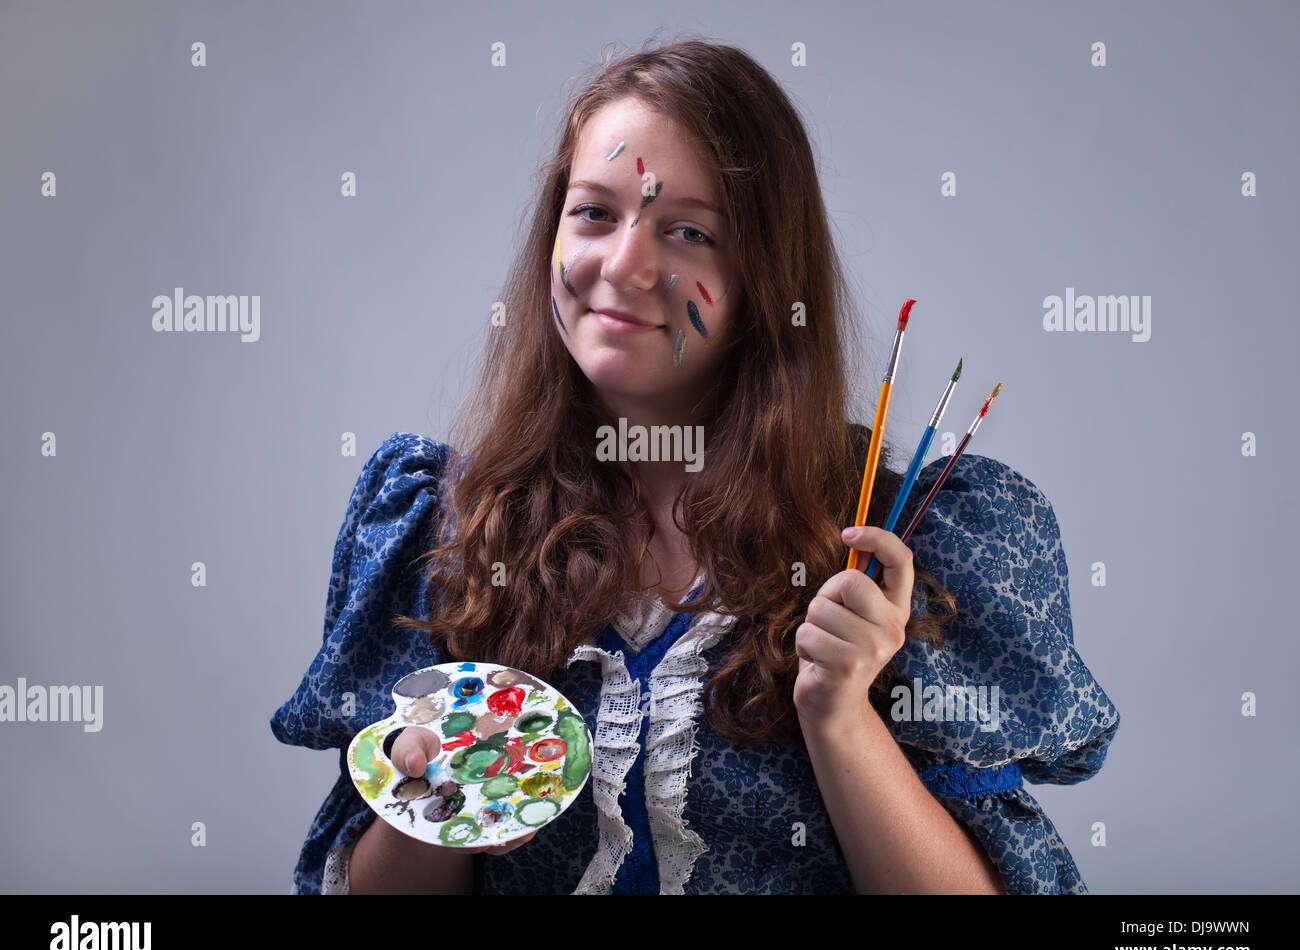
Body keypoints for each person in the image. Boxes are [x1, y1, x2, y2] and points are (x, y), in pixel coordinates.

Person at [271, 39, 1119, 895]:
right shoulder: (448, 525)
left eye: (687, 231)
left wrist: (840, 718)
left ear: (763, 275)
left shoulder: (904, 541)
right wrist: (451, 791)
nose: (625, 266)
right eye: (595, 214)